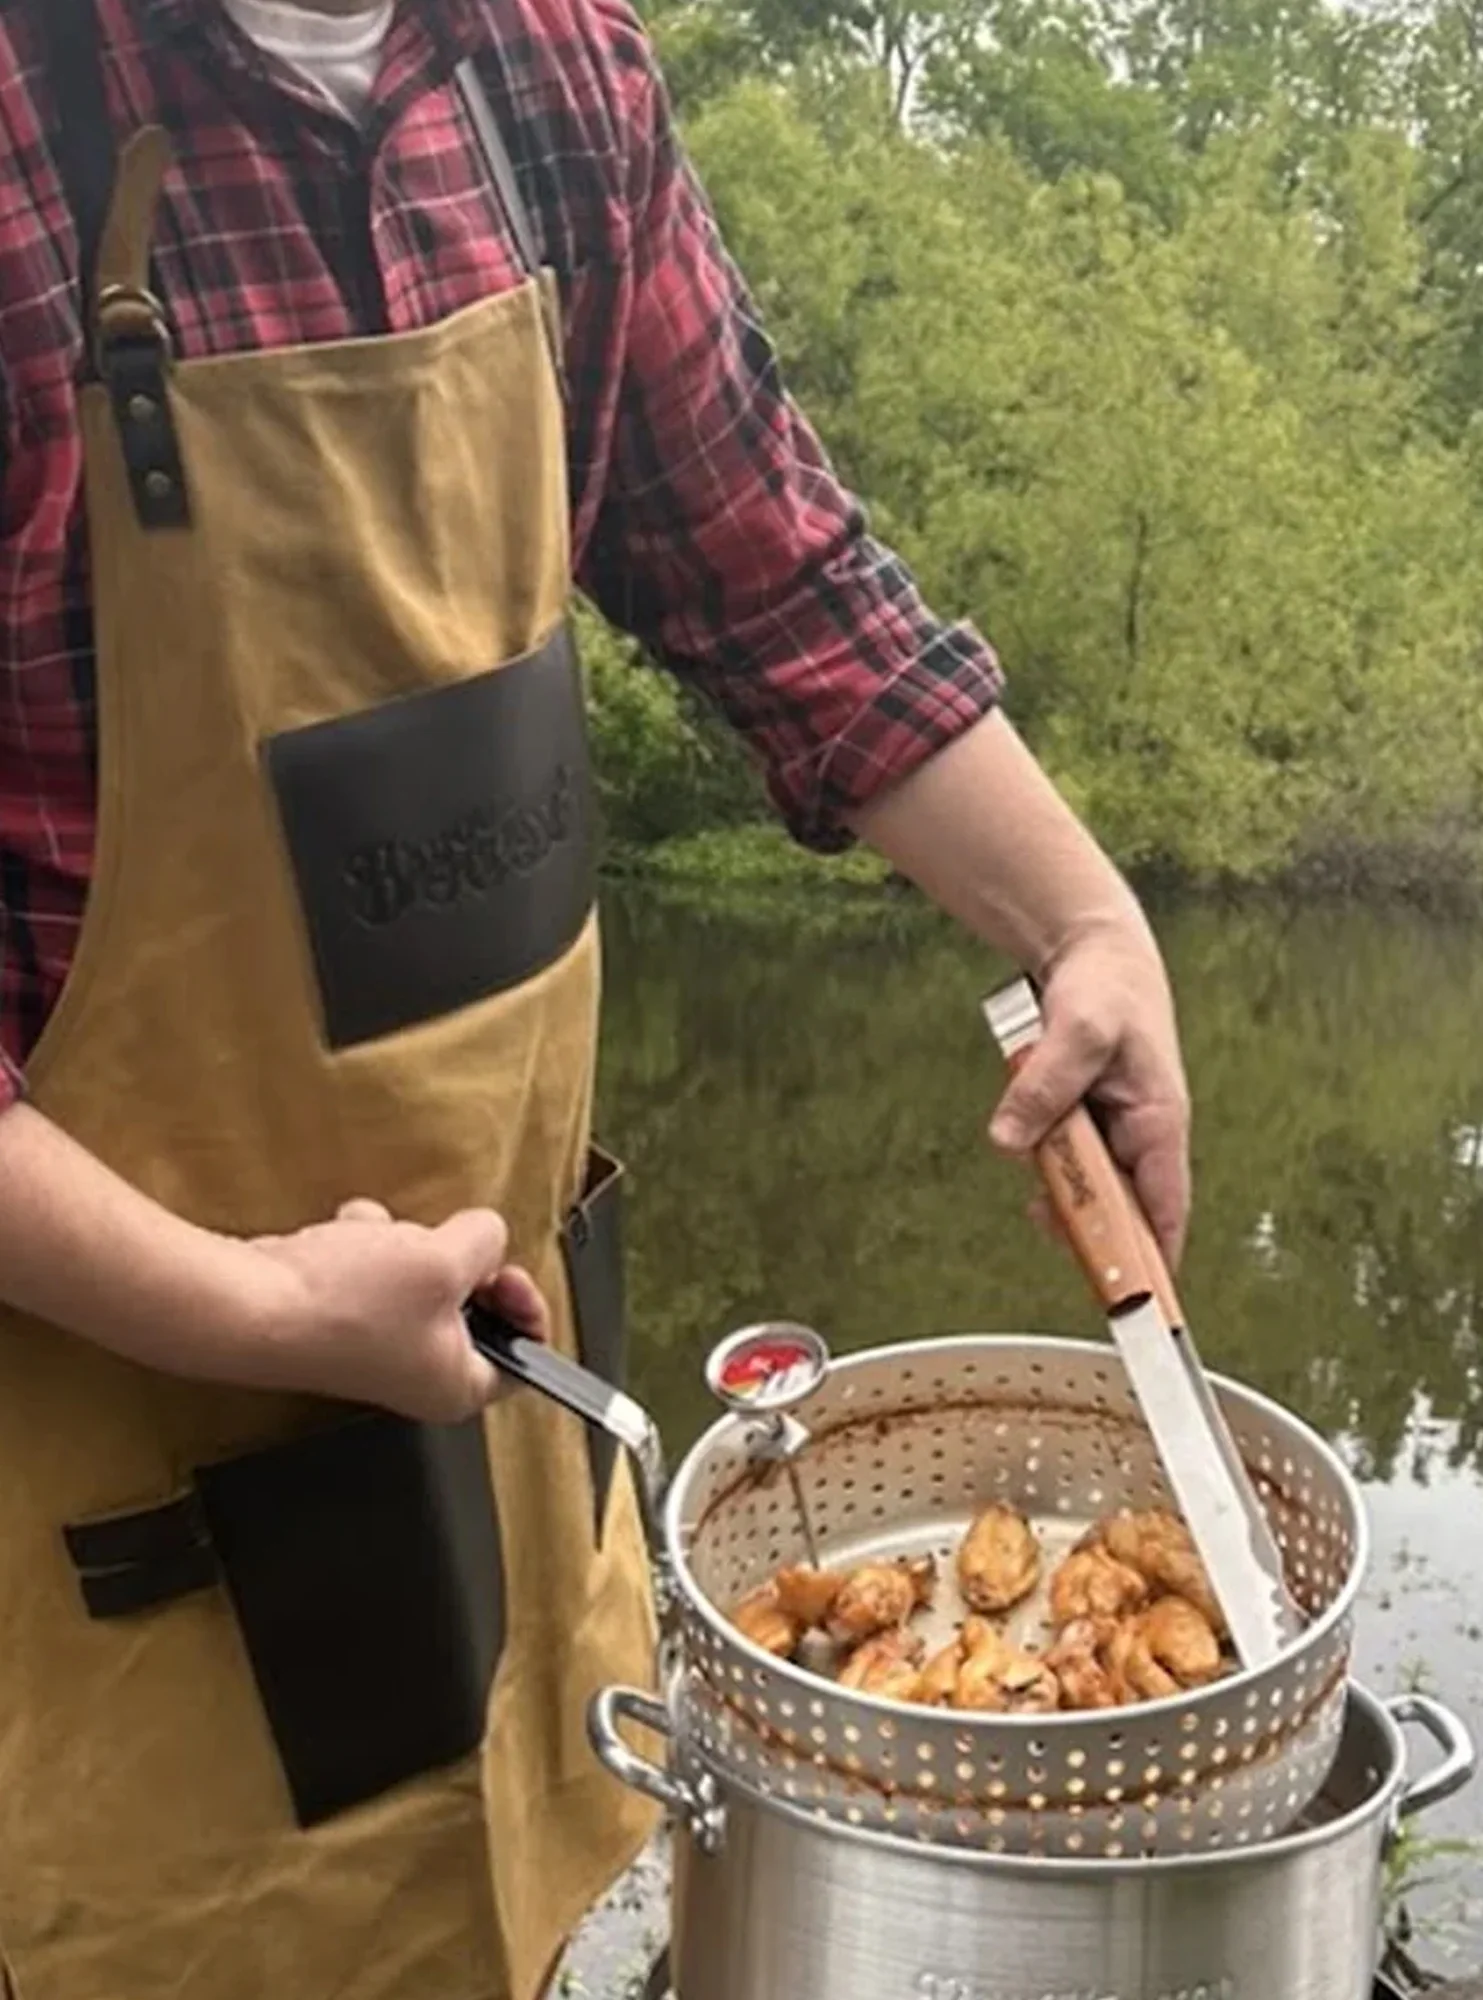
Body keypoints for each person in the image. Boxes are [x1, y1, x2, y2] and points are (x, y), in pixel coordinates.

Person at [0, 2, 1191, 1997]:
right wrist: (243, 1310)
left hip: (493, 1450)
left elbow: (776, 573)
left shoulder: (550, 72)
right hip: (91, 1525)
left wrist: (1082, 920)